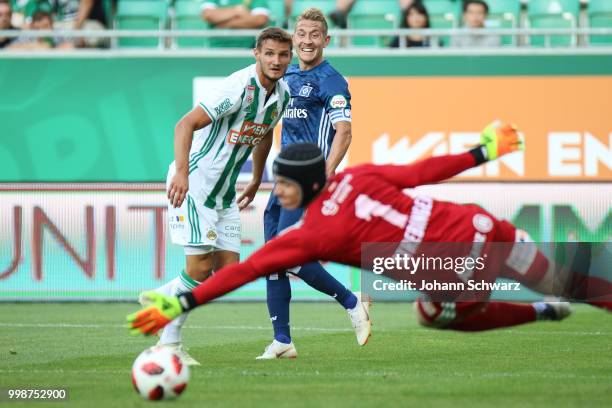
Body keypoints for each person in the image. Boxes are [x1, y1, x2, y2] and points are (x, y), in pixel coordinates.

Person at [128, 123, 612, 337]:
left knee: (435, 315)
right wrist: (483, 151)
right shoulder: (360, 176)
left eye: (285, 185)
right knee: (566, 279)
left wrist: (185, 300)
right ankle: (564, 294)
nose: (279, 192)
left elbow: (249, 268)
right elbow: (424, 171)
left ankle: (543, 313)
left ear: (308, 184)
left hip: (455, 270)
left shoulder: (311, 234)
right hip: (484, 227)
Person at [137, 27, 293, 366]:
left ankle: (160, 299)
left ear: (290, 57)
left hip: (224, 192)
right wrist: (181, 172)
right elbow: (184, 124)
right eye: (269, 53)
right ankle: (169, 344)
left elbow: (264, 135)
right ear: (256, 53)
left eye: (282, 55)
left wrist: (255, 177)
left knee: (225, 275)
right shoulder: (236, 88)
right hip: (195, 183)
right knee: (198, 269)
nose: (276, 61)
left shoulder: (283, 95)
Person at [258, 7, 368, 360]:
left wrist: (326, 173)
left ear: (326, 40)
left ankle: (352, 303)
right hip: (282, 180)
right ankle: (282, 340)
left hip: (308, 182)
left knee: (288, 254)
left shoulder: (331, 80)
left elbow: (345, 131)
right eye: (302, 34)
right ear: (294, 36)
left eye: (314, 35)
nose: (307, 41)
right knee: (271, 259)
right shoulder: (285, 73)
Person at [201, 0, 270, 48]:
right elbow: (208, 15)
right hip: (215, 48)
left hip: (249, 49)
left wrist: (224, 23)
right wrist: (237, 10)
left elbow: (260, 20)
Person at [8, 10, 73, 50]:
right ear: (31, 27)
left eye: (45, 27)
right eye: (37, 29)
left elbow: (73, 46)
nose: (41, 32)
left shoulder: (59, 33)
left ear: (52, 25)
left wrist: (52, 48)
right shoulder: (28, 35)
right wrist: (34, 46)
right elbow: (10, 48)